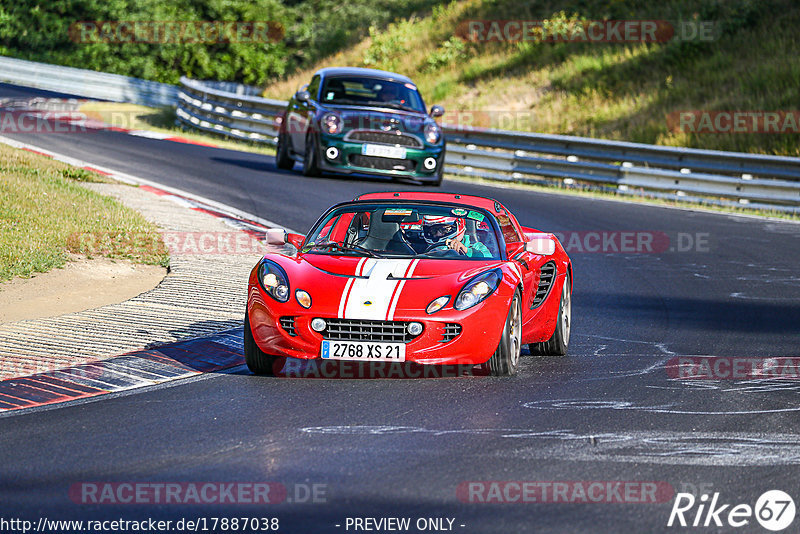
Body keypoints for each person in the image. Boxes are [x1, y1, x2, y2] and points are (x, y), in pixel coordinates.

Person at [422, 216, 491, 258]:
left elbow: (489, 261)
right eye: (433, 231)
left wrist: (467, 251)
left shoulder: (477, 247)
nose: (437, 234)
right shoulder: (422, 248)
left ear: (459, 225)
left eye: (443, 229)